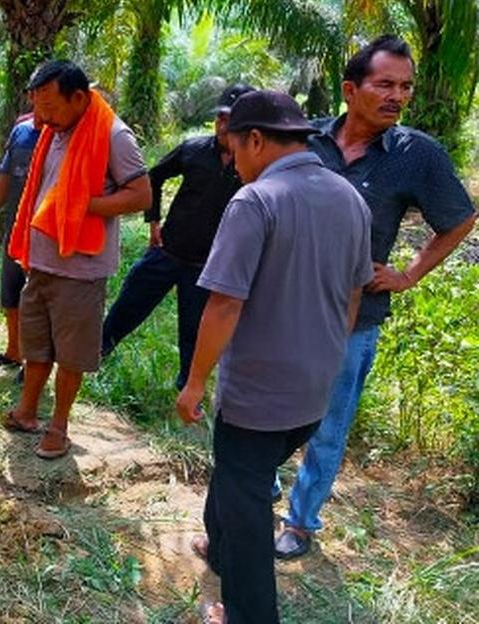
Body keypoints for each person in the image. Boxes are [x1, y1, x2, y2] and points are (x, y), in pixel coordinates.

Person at [274, 35, 477, 561]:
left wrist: (409, 273)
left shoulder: (416, 155)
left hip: (353, 316)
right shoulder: (304, 139)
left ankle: (300, 522)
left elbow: (459, 220)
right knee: (270, 403)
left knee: (328, 423)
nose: (398, 96)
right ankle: (260, 487)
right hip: (283, 306)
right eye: (385, 84)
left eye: (405, 86)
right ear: (350, 89)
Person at [176, 90, 373, 624]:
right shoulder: (349, 197)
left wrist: (194, 382)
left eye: (235, 148)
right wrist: (327, 353)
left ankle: (247, 614)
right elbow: (355, 294)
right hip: (314, 389)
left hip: (258, 395)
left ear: (256, 140)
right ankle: (219, 547)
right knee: (241, 472)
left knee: (245, 498)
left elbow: (223, 304)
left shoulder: (256, 201)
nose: (233, 161)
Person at [3, 60, 150, 458]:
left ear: (79, 98)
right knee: (37, 345)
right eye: (38, 107)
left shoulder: (114, 136)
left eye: (50, 107)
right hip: (42, 261)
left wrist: (86, 206)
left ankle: (59, 427)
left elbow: (141, 194)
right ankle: (27, 411)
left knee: (71, 354)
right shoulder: (52, 132)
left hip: (80, 268)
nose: (43, 117)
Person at [99, 84, 254, 389]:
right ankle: (94, 356)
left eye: (232, 120)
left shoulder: (252, 166)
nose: (224, 126)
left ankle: (187, 388)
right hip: (166, 252)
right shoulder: (193, 149)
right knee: (127, 307)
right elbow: (153, 178)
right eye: (221, 118)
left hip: (207, 268)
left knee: (194, 331)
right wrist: (153, 221)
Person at [0, 110, 38, 373]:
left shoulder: (66, 136)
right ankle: (14, 353)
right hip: (15, 232)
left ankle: (36, 364)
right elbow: (3, 180)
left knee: (38, 302)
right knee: (11, 295)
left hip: (44, 237)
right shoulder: (21, 132)